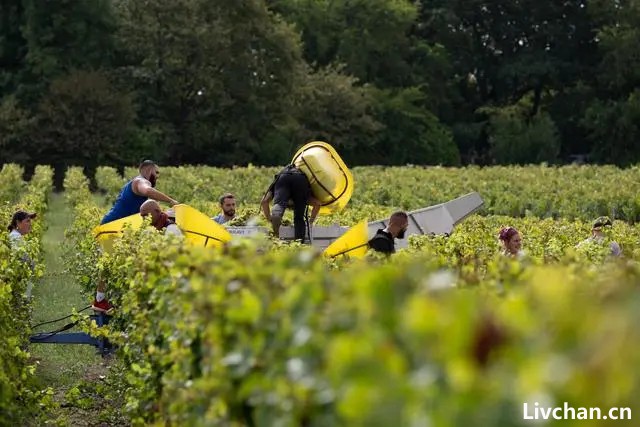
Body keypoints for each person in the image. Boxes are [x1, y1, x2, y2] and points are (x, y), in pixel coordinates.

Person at [100, 160, 179, 225]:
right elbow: (148, 190)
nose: (157, 176)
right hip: (113, 225)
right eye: (156, 172)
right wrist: (171, 200)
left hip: (112, 223)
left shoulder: (133, 183)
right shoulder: (141, 181)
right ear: (149, 170)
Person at [260, 165, 320, 241]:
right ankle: (299, 244)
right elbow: (317, 203)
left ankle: (276, 215)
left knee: (278, 206)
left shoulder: (278, 185)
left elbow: (264, 201)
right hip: (300, 179)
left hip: (283, 177)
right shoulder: (304, 195)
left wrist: (269, 219)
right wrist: (311, 222)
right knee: (299, 217)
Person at [7, 210, 37, 298]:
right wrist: (33, 265)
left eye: (30, 221)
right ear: (18, 223)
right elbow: (21, 259)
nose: (30, 224)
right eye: (27, 221)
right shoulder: (15, 237)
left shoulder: (16, 236)